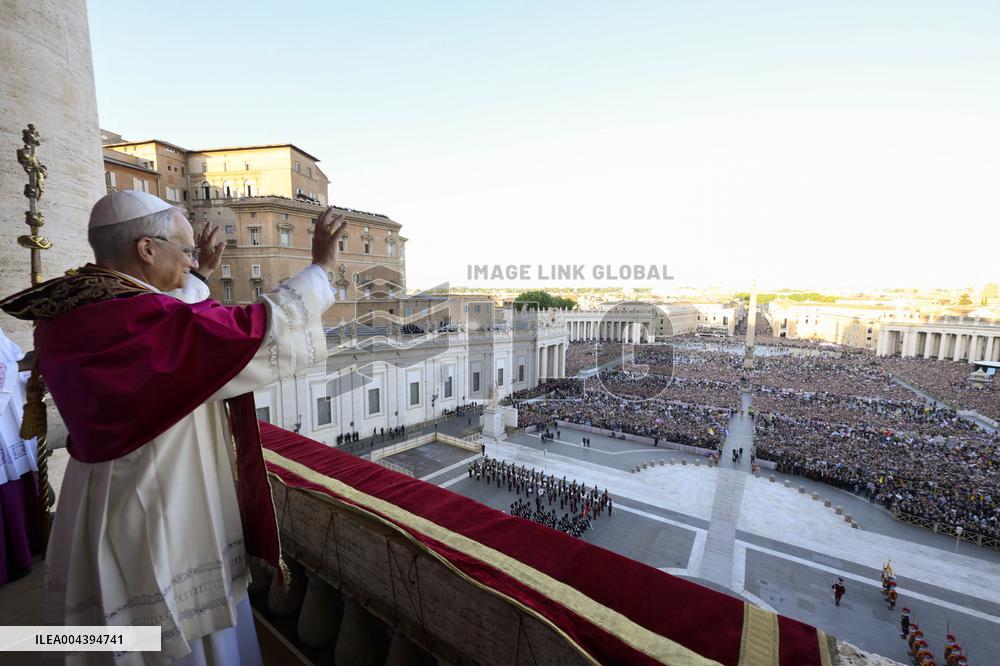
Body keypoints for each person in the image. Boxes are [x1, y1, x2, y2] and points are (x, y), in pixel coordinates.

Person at [0, 191, 346, 665]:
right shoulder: (144, 321)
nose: (190, 262)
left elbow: (173, 315)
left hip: (100, 494)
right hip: (159, 498)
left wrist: (197, 273)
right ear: (146, 249)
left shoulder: (73, 309)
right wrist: (320, 270)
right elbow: (249, 328)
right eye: (183, 252)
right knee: (173, 629)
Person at [0, 328, 41, 587]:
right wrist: (24, 364)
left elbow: (11, 355)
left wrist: (31, 376)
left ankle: (27, 549)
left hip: (10, 420)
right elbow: (12, 364)